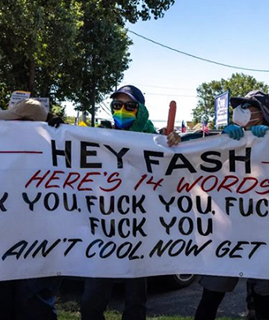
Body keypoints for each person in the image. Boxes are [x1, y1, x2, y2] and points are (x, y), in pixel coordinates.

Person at [80, 85, 179, 320]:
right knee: (90, 305)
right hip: (104, 233)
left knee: (136, 304)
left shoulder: (156, 142)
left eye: (130, 106)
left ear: (141, 110)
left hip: (139, 233)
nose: (122, 110)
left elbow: (173, 177)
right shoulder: (99, 138)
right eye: (117, 105)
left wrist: (175, 144)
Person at [195, 90, 269, 320]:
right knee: (211, 294)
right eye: (241, 106)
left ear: (263, 114)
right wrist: (220, 141)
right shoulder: (226, 140)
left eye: (249, 107)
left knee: (263, 298)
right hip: (228, 232)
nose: (243, 111)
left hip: (264, 232)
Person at [0, 99, 63, 320]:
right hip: (6, 244)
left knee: (34, 305)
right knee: (3, 303)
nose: (6, 126)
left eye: (13, 121)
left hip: (41, 247)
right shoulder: (4, 150)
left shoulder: (57, 153)